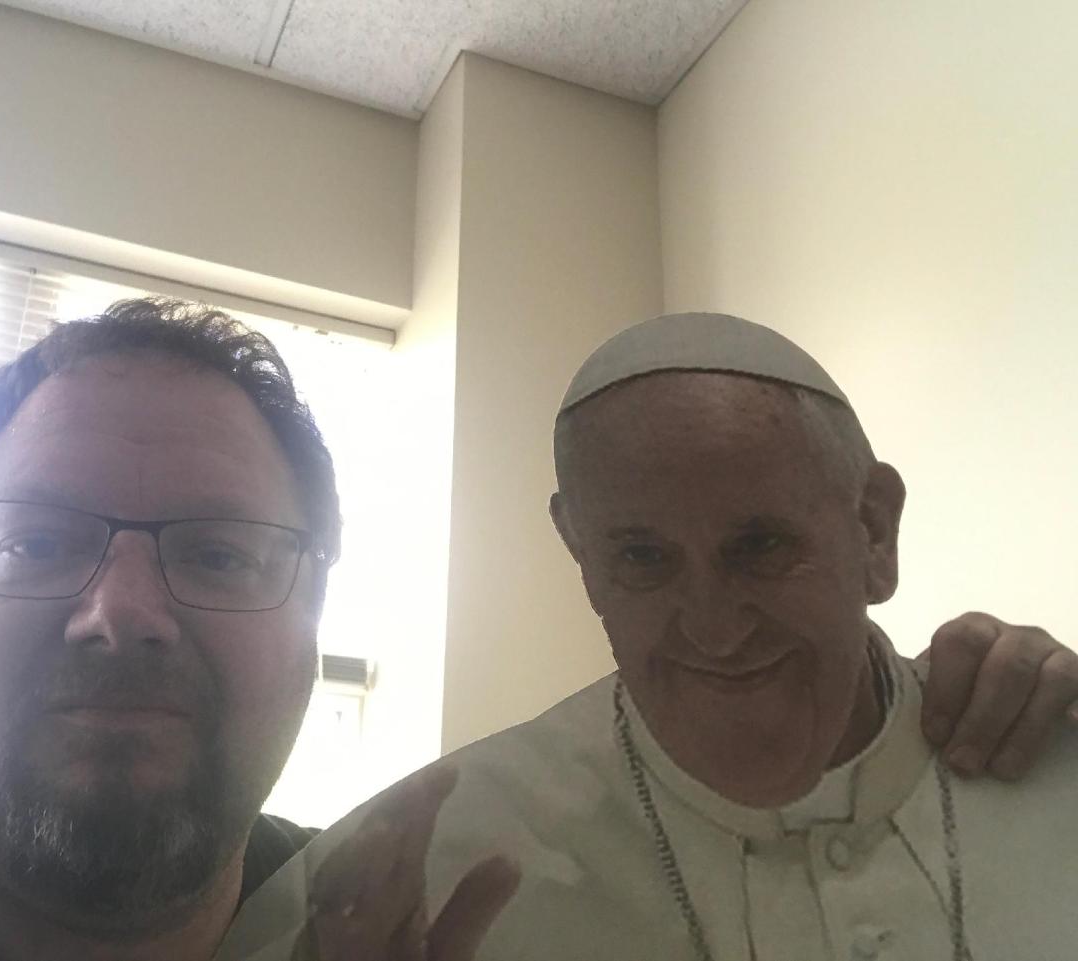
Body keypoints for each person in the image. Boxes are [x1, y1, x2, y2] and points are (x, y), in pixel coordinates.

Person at [0, 301, 1071, 961]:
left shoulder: (357, 898)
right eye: (36, 539)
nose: (121, 616)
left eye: (220, 553)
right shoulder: (456, 858)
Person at [224, 313, 1078, 961]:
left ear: (875, 531)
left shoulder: (1050, 749)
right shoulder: (408, 880)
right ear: (584, 560)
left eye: (760, 545)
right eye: (642, 557)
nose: (715, 626)